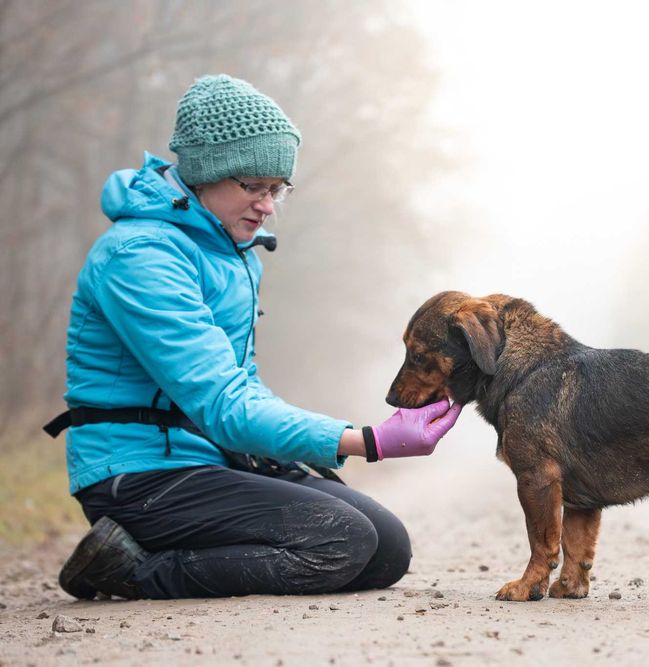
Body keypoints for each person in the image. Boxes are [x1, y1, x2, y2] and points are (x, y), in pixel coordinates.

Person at [46, 74, 462, 600]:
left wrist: (280, 452)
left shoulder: (232, 252)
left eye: (276, 189)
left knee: (387, 549)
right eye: (253, 186)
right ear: (204, 172)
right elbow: (223, 403)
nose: (267, 205)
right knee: (341, 539)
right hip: (139, 473)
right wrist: (365, 441)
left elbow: (243, 387)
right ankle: (124, 569)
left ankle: (168, 555)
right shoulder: (140, 257)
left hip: (212, 459)